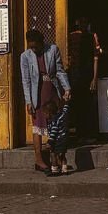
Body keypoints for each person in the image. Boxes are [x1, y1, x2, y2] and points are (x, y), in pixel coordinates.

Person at [20, 28, 71, 174]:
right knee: (38, 126)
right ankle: (39, 160)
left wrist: (67, 88)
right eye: (31, 46)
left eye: (36, 46)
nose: (34, 49)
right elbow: (26, 80)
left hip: (52, 91)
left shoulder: (53, 50)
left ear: (42, 42)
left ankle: (57, 159)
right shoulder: (25, 56)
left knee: (55, 124)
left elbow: (60, 71)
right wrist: (28, 101)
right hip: (37, 95)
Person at [67, 16, 102, 144]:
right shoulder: (72, 36)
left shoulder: (92, 37)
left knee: (89, 104)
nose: (83, 24)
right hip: (75, 73)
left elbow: (96, 58)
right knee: (77, 104)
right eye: (81, 22)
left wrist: (94, 77)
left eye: (85, 22)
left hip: (87, 74)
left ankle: (90, 133)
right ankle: (79, 133)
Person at [43, 100, 71, 176]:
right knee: (62, 155)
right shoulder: (61, 115)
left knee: (53, 154)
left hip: (57, 140)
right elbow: (65, 111)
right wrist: (66, 103)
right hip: (64, 139)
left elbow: (53, 133)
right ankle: (64, 170)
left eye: (45, 113)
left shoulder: (54, 121)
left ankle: (54, 169)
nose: (44, 115)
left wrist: (49, 142)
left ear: (49, 113)